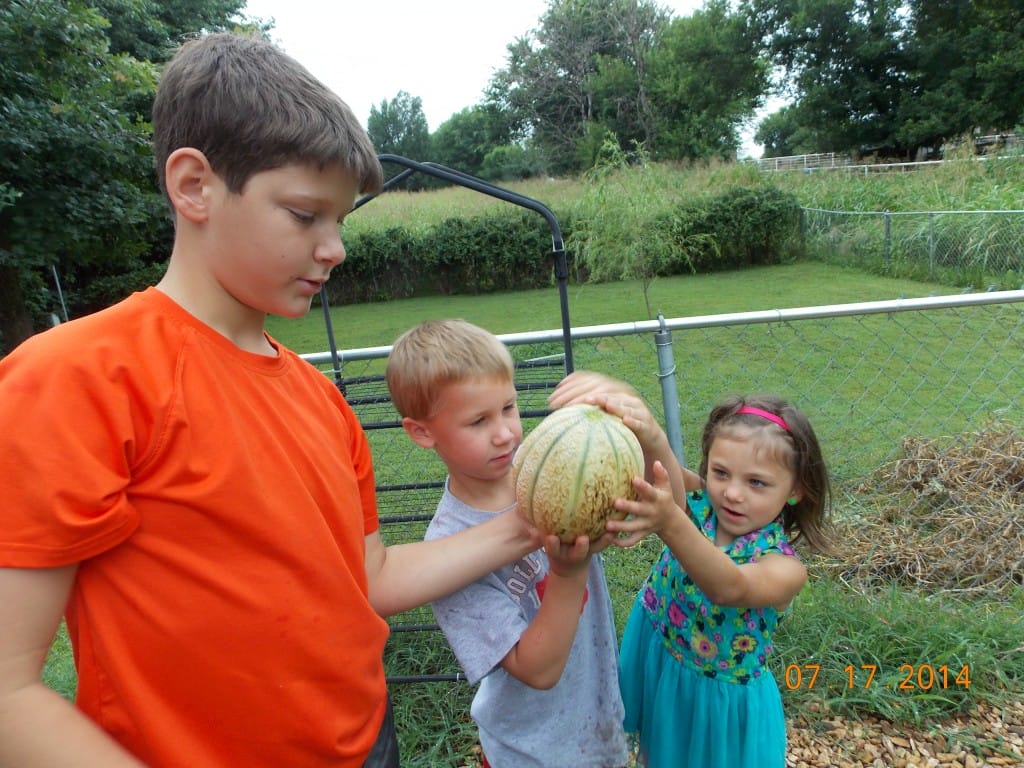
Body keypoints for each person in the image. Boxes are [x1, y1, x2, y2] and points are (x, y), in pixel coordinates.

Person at [0, 33, 542, 768]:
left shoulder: (321, 401)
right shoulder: (79, 376)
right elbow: (10, 693)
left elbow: (370, 581)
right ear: (193, 186)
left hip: (366, 743)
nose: (336, 248)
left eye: (342, 220)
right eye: (304, 214)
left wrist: (535, 527)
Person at [550, 372, 832, 768]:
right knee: (660, 750)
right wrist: (641, 421)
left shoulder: (783, 566)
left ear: (796, 490)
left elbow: (728, 587)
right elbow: (660, 471)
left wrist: (670, 522)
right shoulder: (701, 502)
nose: (732, 492)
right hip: (660, 653)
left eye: (757, 482)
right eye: (721, 473)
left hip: (716, 703)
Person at [385, 320, 630, 768]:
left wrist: (631, 422)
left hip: (599, 719)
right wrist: (568, 573)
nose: (505, 434)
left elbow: (649, 508)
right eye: (478, 421)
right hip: (531, 753)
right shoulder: (446, 554)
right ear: (422, 432)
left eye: (509, 407)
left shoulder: (551, 465)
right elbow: (537, 670)